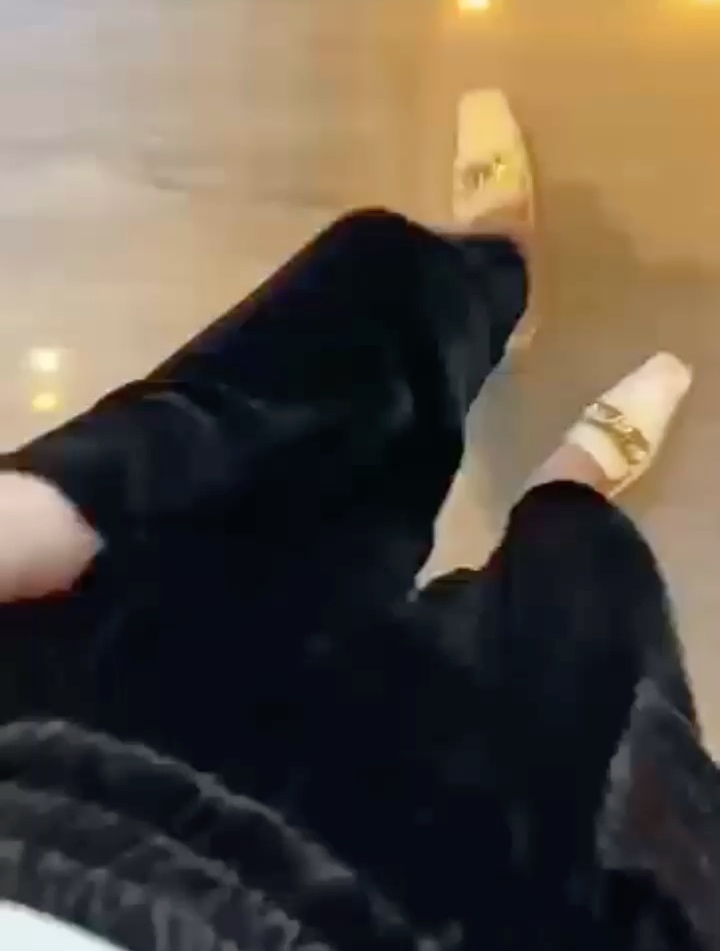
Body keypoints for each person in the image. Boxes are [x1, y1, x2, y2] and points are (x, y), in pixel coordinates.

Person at [0, 90, 710, 950]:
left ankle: (495, 269)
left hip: (45, 722)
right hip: (390, 911)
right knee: (569, 668)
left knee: (324, 362)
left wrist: (43, 503)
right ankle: (568, 486)